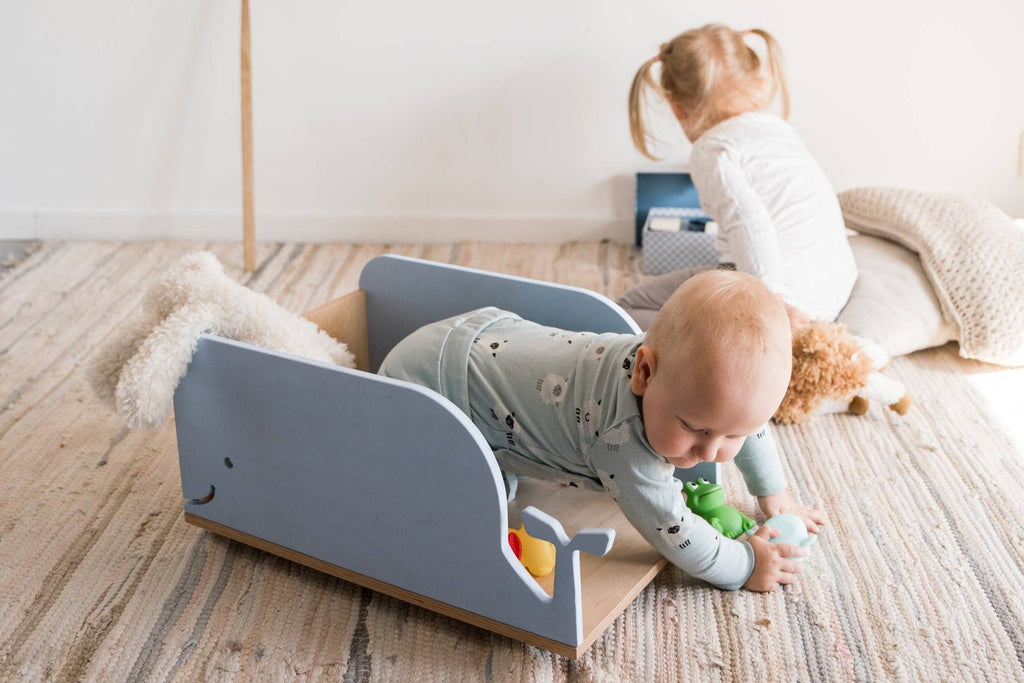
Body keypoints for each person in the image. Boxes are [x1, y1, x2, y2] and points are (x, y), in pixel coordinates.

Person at [379, 269, 826, 592]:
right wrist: (744, 564)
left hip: (482, 338)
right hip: (432, 382)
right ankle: (487, 459)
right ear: (644, 373)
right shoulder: (622, 441)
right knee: (454, 500)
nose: (710, 453)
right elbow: (674, 529)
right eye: (694, 428)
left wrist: (775, 495)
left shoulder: (681, 381)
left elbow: (749, 426)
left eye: (732, 436)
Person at [620, 23, 857, 333]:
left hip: (784, 305)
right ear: (758, 84)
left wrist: (769, 305)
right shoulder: (780, 131)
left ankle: (728, 343)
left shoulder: (712, 150)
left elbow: (750, 224)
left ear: (678, 110)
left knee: (630, 306)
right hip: (833, 291)